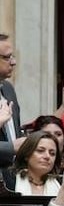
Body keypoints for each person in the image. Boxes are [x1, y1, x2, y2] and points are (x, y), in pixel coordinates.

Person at [2, 130, 62, 195]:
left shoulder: (61, 184)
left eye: (52, 153)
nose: (47, 156)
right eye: (40, 151)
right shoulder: (8, 180)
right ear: (27, 155)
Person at [0, 33, 24, 167]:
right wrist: (10, 148)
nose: (13, 62)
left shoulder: (8, 89)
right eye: (7, 57)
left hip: (12, 174)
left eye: (12, 56)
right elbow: (14, 145)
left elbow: (16, 132)